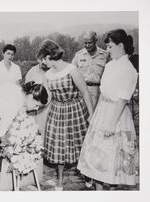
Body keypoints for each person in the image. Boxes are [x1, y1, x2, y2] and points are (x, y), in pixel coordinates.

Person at [77, 29, 138, 190]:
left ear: (121, 45)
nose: (108, 50)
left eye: (110, 46)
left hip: (116, 117)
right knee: (97, 161)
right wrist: (94, 114)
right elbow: (103, 94)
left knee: (112, 161)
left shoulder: (128, 69)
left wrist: (111, 125)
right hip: (102, 112)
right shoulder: (110, 65)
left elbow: (123, 100)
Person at [36, 39, 94, 190]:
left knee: (80, 144)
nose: (43, 62)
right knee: (58, 146)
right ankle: (60, 181)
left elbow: (85, 93)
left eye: (43, 59)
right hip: (57, 111)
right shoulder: (48, 74)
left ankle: (88, 176)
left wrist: (92, 115)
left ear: (49, 56)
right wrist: (34, 105)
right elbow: (47, 98)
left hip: (75, 110)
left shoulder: (72, 69)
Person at [72, 31, 109, 108]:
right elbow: (72, 73)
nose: (87, 45)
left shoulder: (105, 55)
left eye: (90, 43)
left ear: (95, 41)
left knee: (97, 116)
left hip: (99, 91)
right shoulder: (79, 55)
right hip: (82, 91)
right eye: (85, 43)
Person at [25, 59, 50, 140]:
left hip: (48, 108)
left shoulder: (52, 71)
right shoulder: (32, 72)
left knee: (46, 131)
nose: (43, 62)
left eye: (45, 59)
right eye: (41, 59)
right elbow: (27, 92)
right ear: (38, 59)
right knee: (33, 131)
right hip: (34, 110)